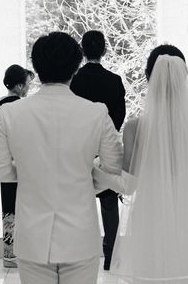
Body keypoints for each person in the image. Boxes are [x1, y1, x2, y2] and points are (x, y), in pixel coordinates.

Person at [0, 32, 123, 284]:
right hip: (80, 234)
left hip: (32, 236)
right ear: (76, 68)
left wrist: (31, 170)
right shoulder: (96, 112)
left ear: (37, 69)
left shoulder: (10, 113)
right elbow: (114, 167)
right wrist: (88, 175)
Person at [109, 45, 188, 284]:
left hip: (150, 217)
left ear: (148, 77)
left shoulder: (135, 127)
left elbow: (128, 186)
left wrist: (95, 172)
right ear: (184, 77)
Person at [70, 30, 126, 271]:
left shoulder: (73, 80)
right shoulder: (114, 80)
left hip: (78, 145)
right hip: (105, 145)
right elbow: (119, 115)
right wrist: (107, 137)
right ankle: (111, 255)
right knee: (109, 202)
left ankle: (80, 256)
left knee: (76, 203)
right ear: (104, 50)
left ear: (82, 51)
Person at [0, 64, 35, 268]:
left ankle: (9, 254)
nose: (28, 88)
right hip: (23, 165)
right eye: (27, 84)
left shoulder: (2, 109)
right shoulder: (21, 108)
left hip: (6, 165)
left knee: (9, 209)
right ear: (18, 86)